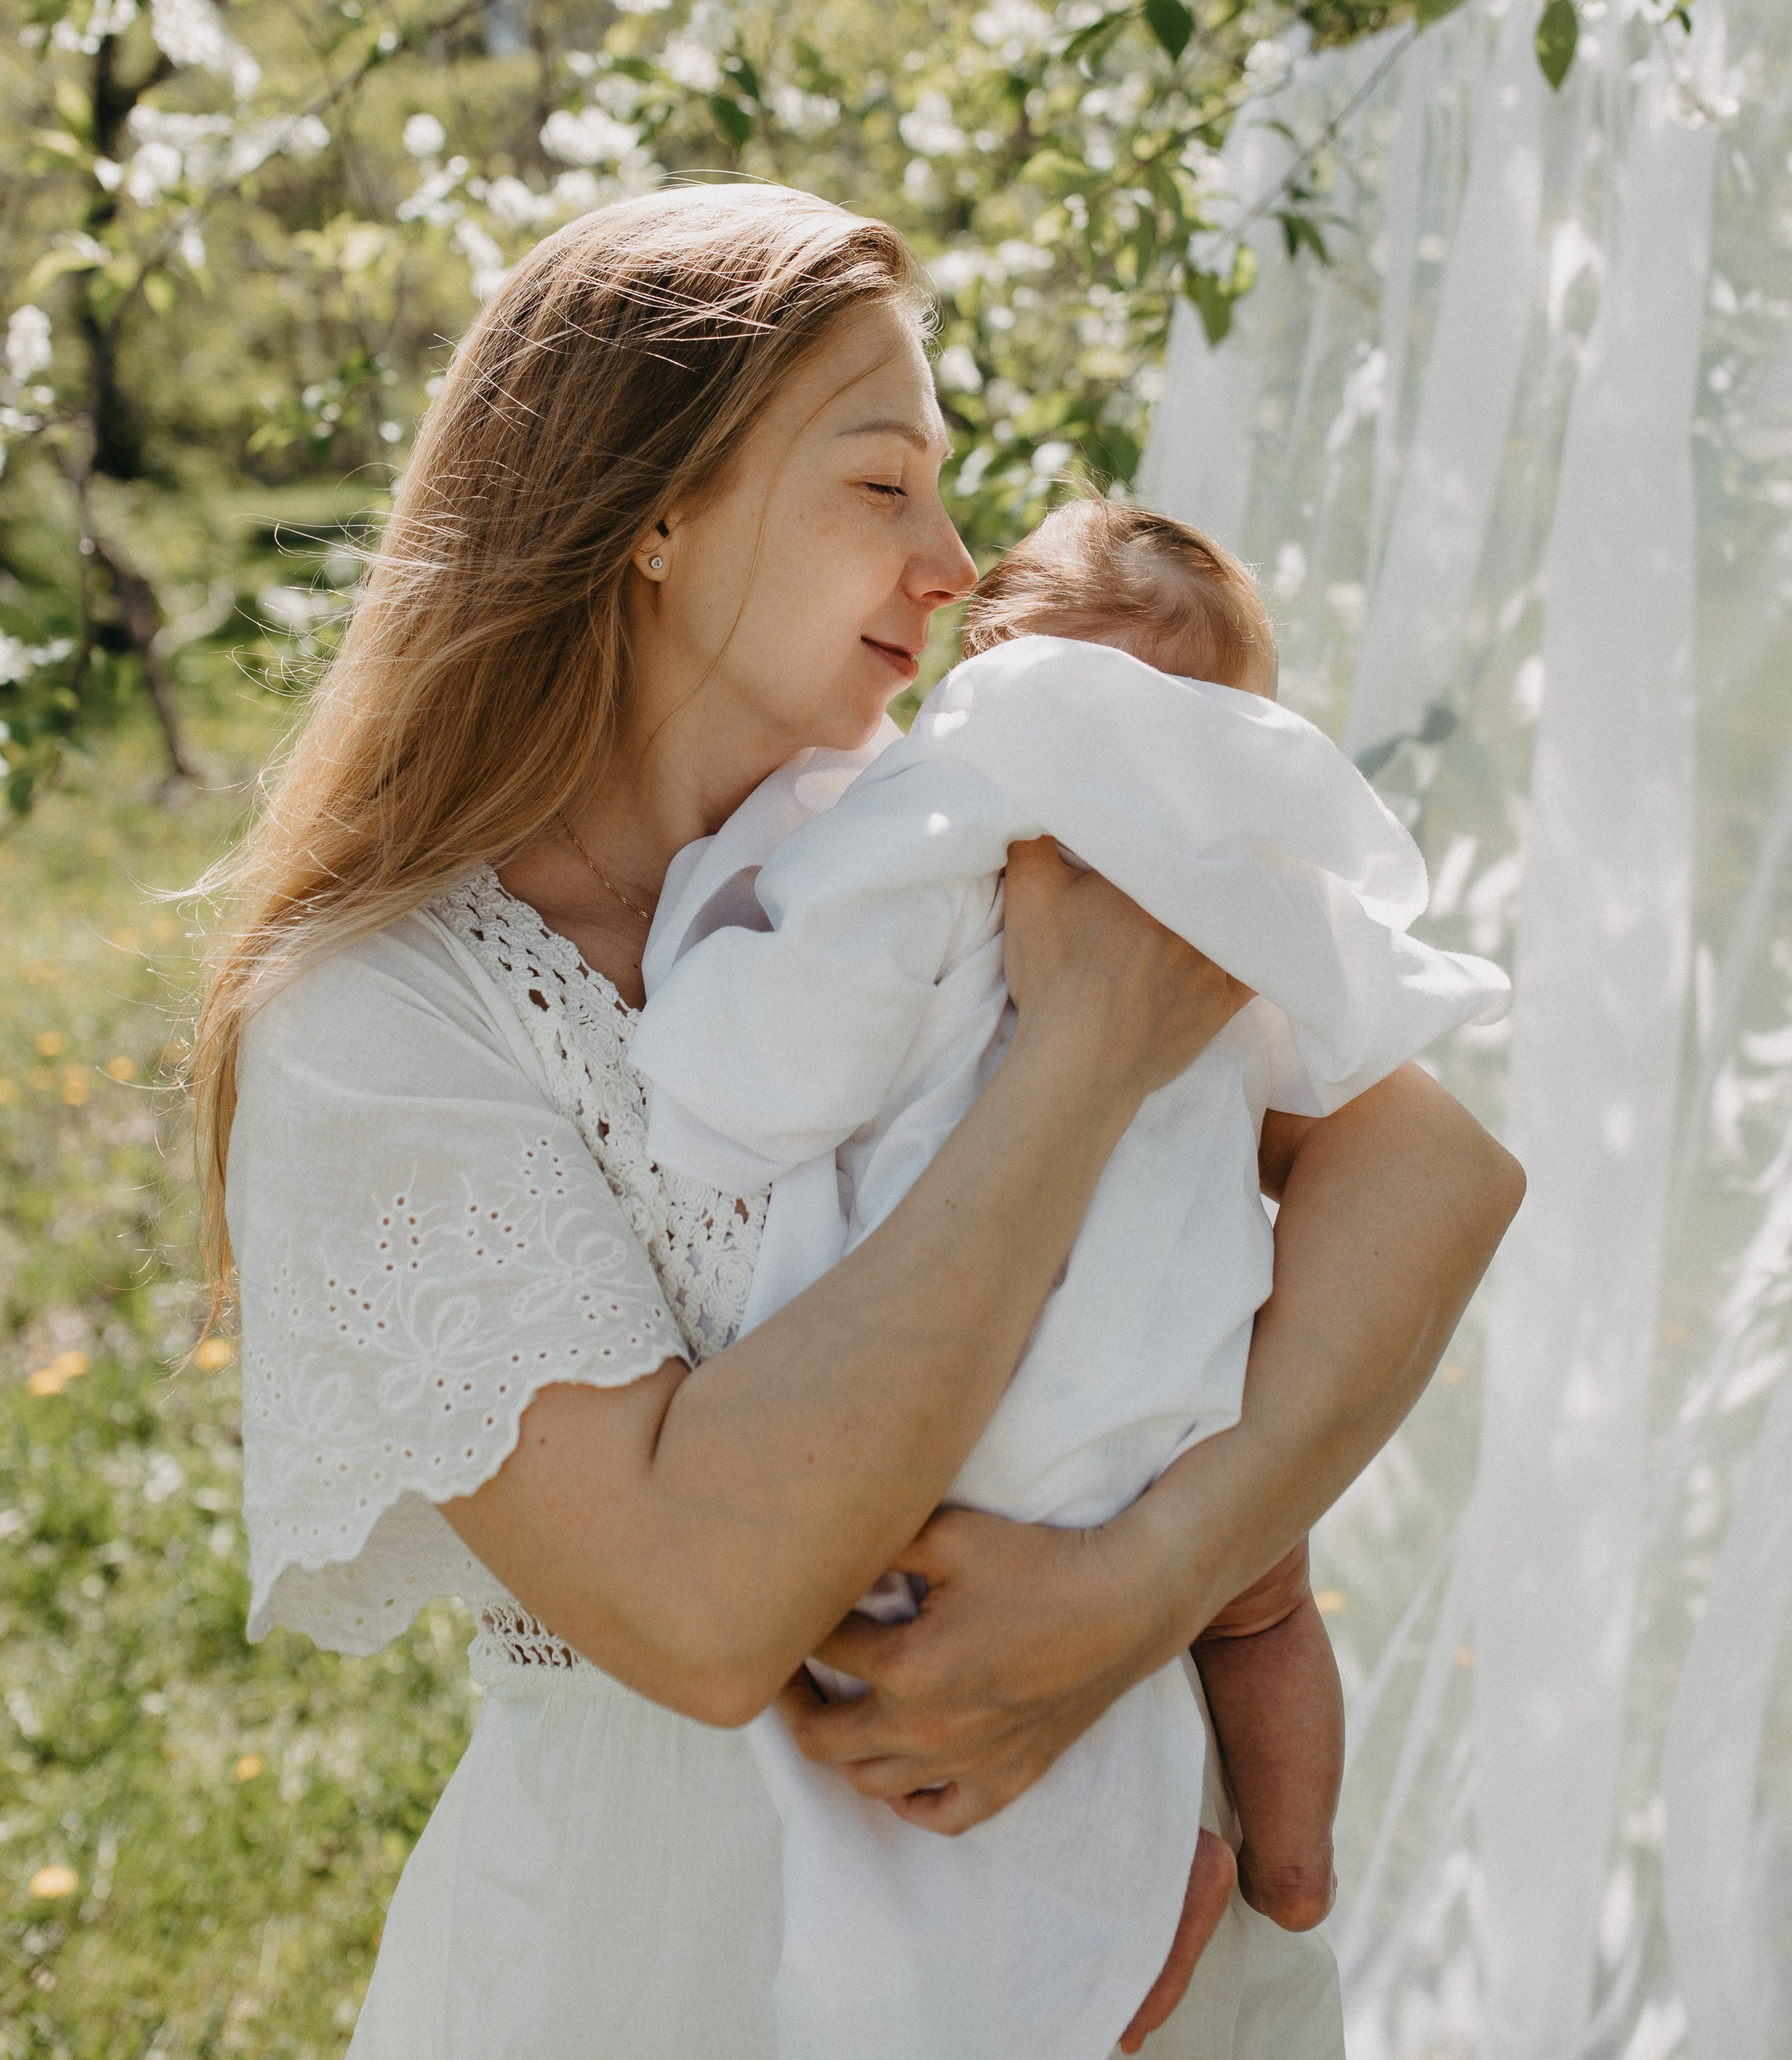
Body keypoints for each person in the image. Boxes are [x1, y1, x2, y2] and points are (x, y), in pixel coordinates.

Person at [197, 182, 1524, 2060]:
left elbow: (1435, 1165)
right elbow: (705, 1602)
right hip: (686, 1964)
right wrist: (1083, 1055)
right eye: (882, 483)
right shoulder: (382, 1016)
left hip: (1118, 1871)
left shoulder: (946, 823)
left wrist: (1148, 1580)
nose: (954, 564)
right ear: (655, 511)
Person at [628, 497, 1509, 2060]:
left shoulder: (935, 836)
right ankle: (1280, 1867)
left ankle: (1126, 1926)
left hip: (983, 1409)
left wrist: (697, 1031)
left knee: (923, 1707)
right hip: (1189, 1398)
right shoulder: (1230, 901)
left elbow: (776, 1063)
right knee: (1257, 1613)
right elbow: (1361, 1044)